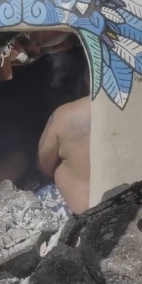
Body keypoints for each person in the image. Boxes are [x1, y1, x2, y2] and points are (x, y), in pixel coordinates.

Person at [35, 54, 91, 216]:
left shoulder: (64, 115)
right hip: (125, 210)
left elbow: (43, 164)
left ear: (89, 76)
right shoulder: (137, 115)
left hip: (78, 214)